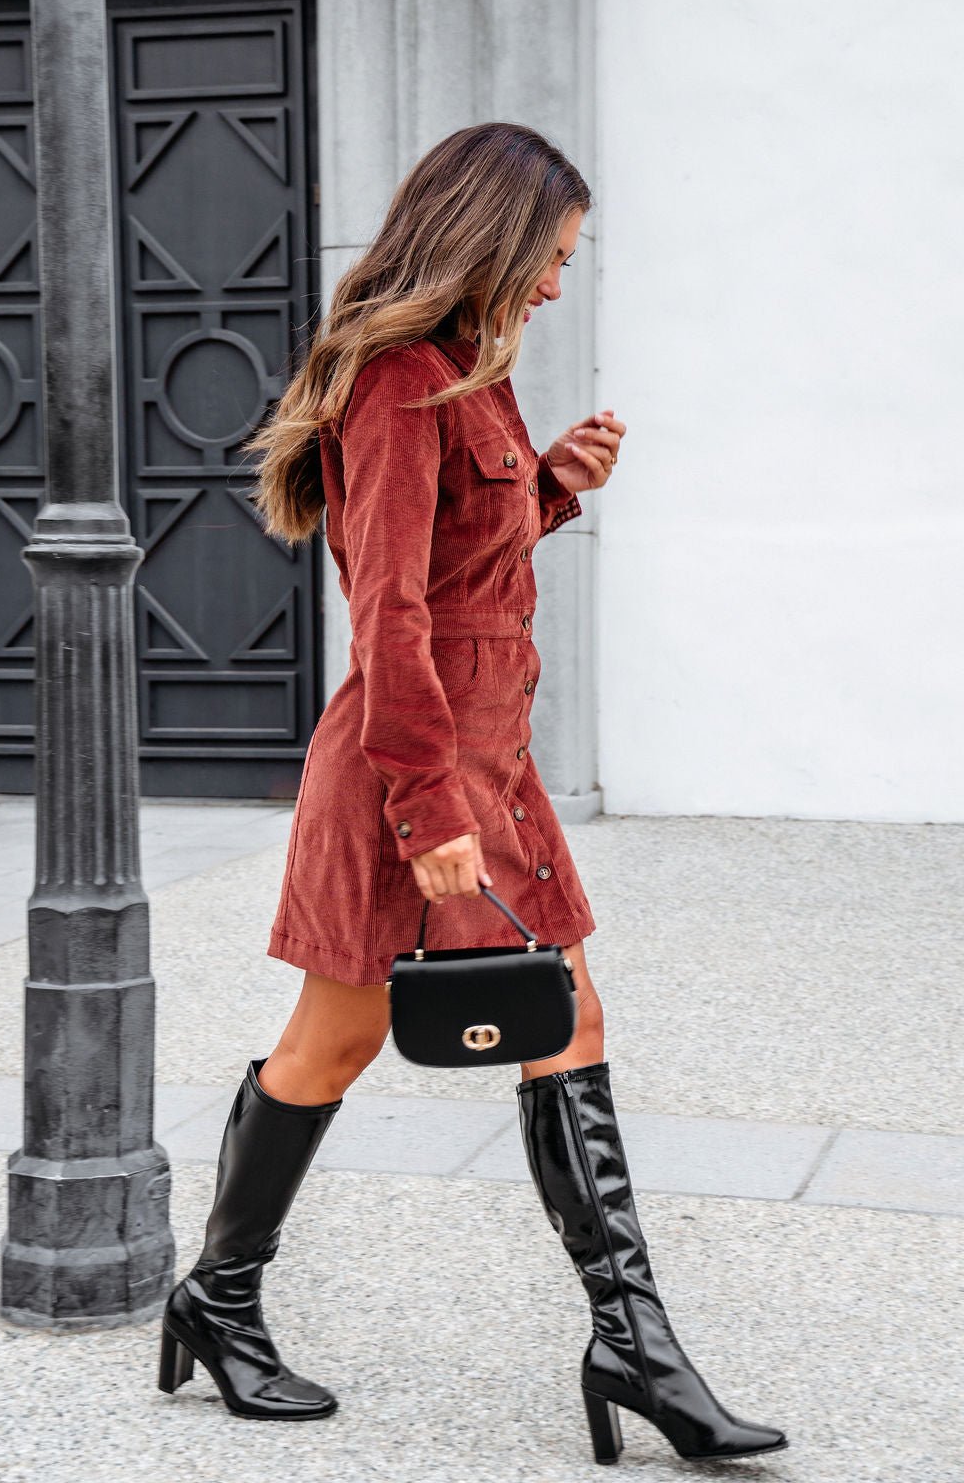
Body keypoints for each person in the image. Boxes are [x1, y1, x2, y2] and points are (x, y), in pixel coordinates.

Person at [157, 122, 786, 1465]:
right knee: (333, 1044)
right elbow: (386, 615)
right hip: (415, 767)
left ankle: (633, 1344)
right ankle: (218, 1301)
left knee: (567, 1016)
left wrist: (549, 484)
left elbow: (461, 571)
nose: (560, 284)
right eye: (554, 257)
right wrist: (430, 813)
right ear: (495, 239)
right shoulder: (398, 382)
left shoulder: (473, 377)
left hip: (491, 759)